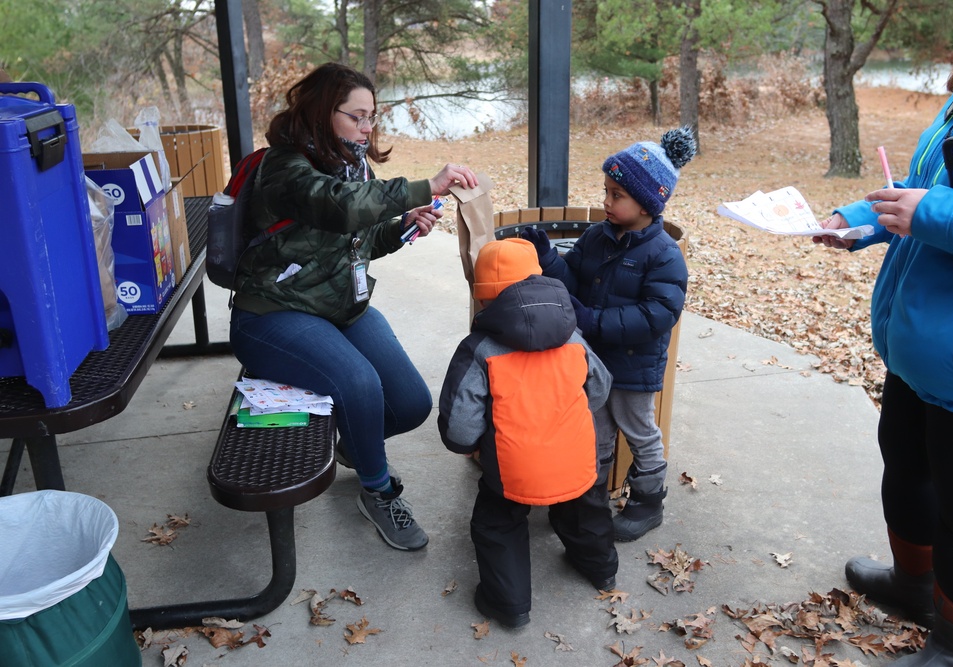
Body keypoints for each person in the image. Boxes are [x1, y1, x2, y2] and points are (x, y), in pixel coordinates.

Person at [228, 62, 478, 552]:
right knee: (359, 383)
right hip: (273, 313)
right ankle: (376, 490)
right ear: (323, 113)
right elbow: (339, 205)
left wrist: (401, 227)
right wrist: (427, 185)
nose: (367, 129)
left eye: (372, 118)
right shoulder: (285, 167)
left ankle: (357, 447)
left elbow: (355, 241)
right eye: (357, 117)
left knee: (410, 404)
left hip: (338, 306)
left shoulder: (352, 165)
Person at [813, 17, 953, 666]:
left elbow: (950, 211)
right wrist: (861, 219)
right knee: (907, 465)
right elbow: (936, 185)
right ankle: (914, 586)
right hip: (921, 343)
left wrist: (931, 214)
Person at [520, 128, 693, 542]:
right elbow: (574, 278)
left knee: (640, 432)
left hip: (634, 366)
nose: (606, 201)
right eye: (606, 191)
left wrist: (592, 321)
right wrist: (548, 258)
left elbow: (657, 314)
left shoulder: (663, 255)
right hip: (594, 363)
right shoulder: (598, 236)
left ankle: (648, 504)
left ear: (649, 202)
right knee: (594, 433)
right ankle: (588, 501)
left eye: (618, 194)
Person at [438, 238, 616, 629]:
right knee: (585, 508)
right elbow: (600, 387)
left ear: (484, 300)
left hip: (513, 467)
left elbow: (460, 426)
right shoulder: (573, 336)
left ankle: (509, 605)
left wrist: (472, 446)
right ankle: (601, 569)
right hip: (577, 457)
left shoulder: (480, 349)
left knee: (497, 523)